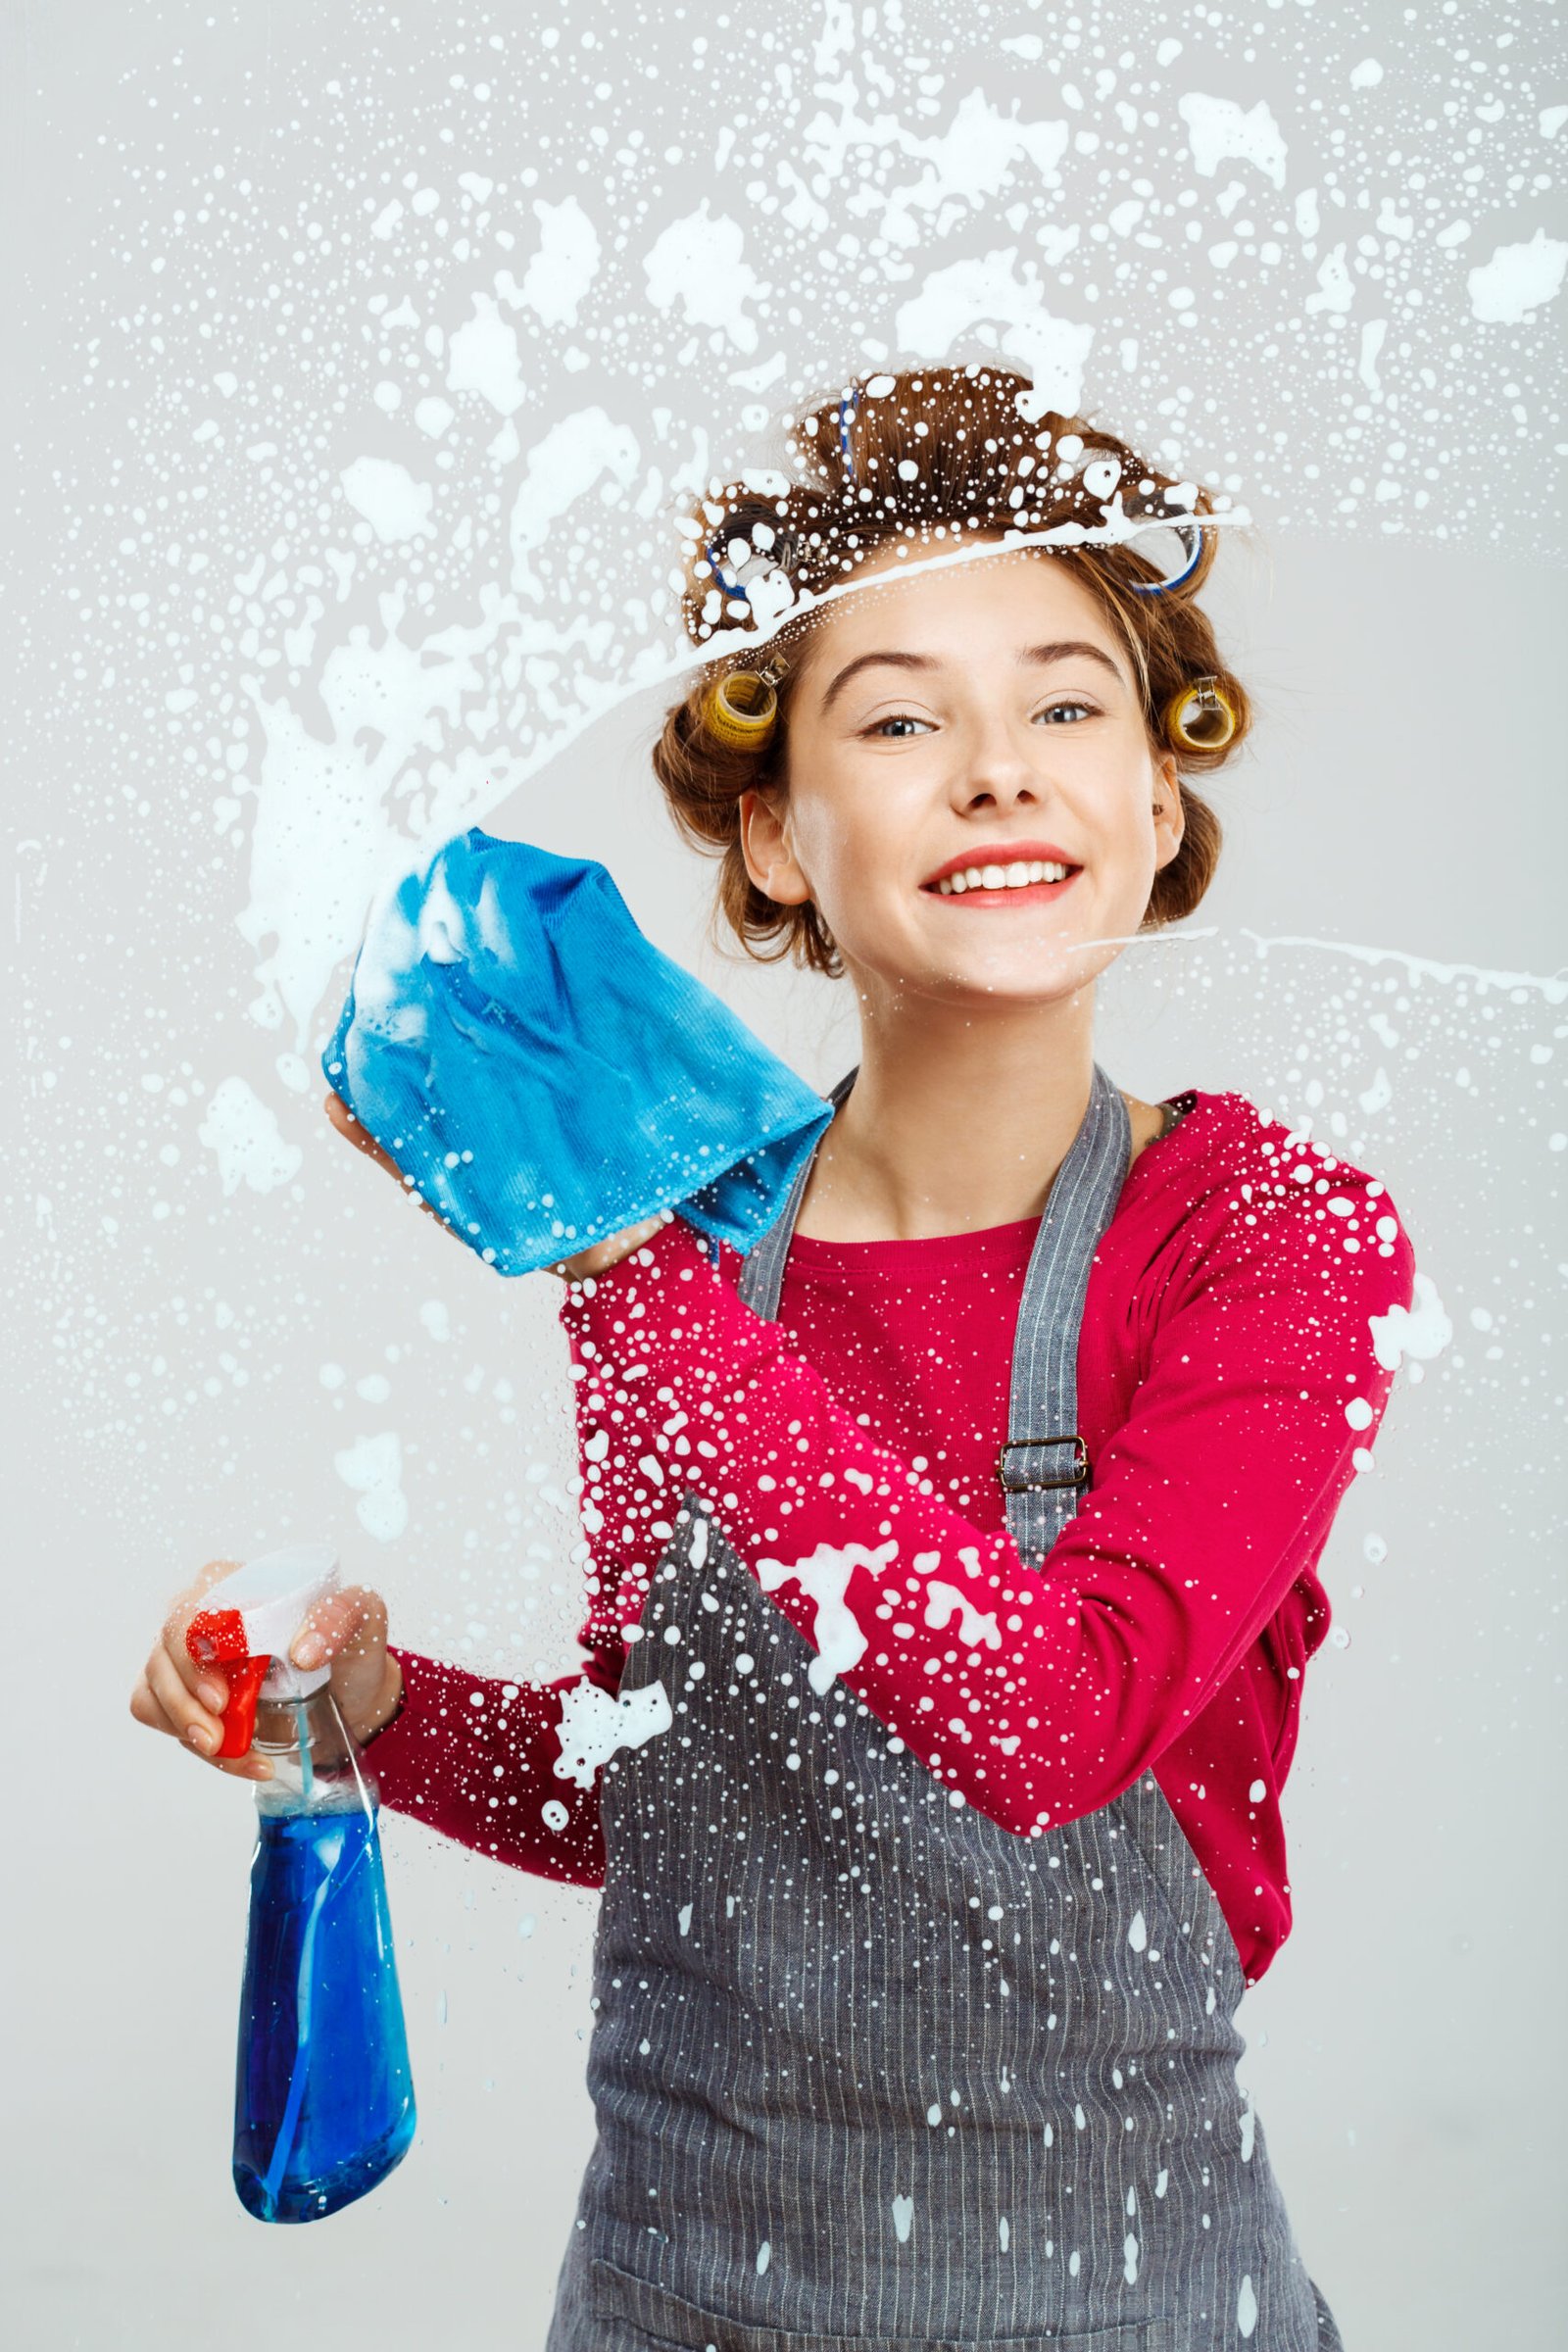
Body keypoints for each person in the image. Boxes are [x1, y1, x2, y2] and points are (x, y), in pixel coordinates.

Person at [131, 366, 1415, 2349]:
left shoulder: (1265, 1241)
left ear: (1152, 806)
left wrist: (606, 1245)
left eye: (1067, 705)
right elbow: (682, 1804)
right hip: (671, 2304)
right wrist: (370, 1702)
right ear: (772, 836)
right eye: (896, 718)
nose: (997, 769)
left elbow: (1046, 1733)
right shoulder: (698, 1260)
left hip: (1117, 2308)